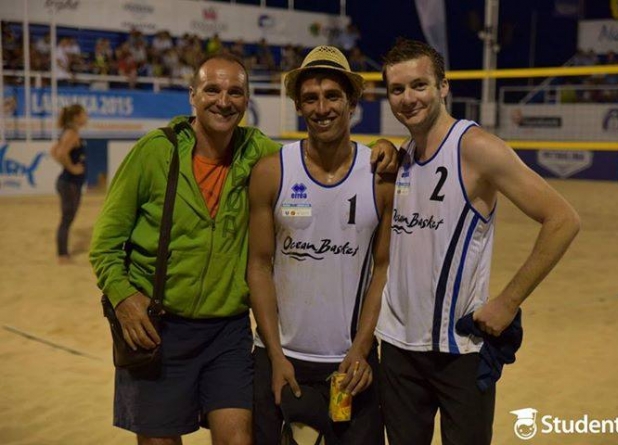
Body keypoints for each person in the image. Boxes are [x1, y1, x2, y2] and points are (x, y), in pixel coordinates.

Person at [89, 53, 398, 445]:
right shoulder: (155, 152)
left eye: (235, 91)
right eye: (212, 89)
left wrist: (388, 148)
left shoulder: (258, 153)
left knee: (239, 439)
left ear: (246, 99)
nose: (224, 100)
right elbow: (105, 244)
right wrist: (122, 297)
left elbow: (316, 156)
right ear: (192, 96)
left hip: (228, 332)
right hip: (158, 328)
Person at [375, 39, 581, 445]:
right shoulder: (403, 155)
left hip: (461, 351)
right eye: (397, 90)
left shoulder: (476, 148)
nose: (408, 98)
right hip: (398, 350)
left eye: (419, 85)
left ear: (443, 87)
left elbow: (562, 220)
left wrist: (508, 300)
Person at [247, 46, 393, 445]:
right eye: (310, 98)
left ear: (352, 102)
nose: (321, 107)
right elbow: (258, 265)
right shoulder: (272, 171)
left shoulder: (379, 177)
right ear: (298, 104)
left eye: (332, 96)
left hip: (350, 363)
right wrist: (274, 354)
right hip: (281, 359)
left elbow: (383, 269)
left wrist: (363, 348)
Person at [51, 104, 87, 264]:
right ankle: (62, 255)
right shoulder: (71, 133)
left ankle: (63, 253)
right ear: (76, 117)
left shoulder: (71, 133)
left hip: (71, 183)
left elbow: (53, 151)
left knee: (68, 218)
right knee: (66, 219)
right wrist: (72, 168)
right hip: (69, 183)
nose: (87, 117)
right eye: (84, 114)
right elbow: (59, 153)